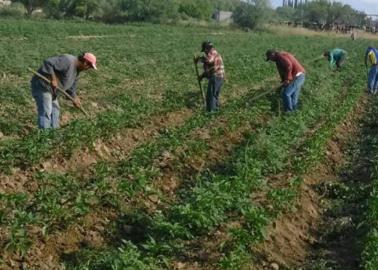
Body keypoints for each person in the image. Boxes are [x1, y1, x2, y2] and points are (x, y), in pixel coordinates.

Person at [31, 52, 97, 129]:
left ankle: (54, 133)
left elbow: (71, 86)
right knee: (46, 111)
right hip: (43, 86)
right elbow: (48, 62)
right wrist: (53, 79)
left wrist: (74, 97)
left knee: (55, 111)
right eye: (89, 67)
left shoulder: (77, 71)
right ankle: (45, 136)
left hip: (52, 91)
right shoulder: (68, 60)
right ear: (85, 63)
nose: (88, 69)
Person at [195, 41, 225, 112]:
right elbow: (210, 70)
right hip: (219, 77)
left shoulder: (212, 52)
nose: (205, 52)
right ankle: (215, 110)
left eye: (205, 50)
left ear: (206, 49)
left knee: (211, 95)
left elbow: (209, 60)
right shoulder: (213, 53)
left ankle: (211, 112)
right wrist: (202, 76)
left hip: (216, 77)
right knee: (214, 95)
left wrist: (199, 59)